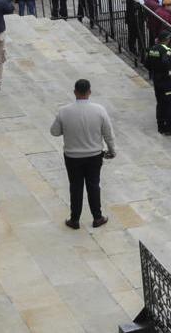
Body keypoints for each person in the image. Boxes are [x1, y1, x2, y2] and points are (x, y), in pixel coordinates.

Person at [50, 78, 115, 229]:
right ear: (89, 92)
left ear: (74, 92)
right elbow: (108, 134)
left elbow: (54, 132)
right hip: (94, 156)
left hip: (73, 157)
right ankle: (97, 217)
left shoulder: (64, 111)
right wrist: (112, 150)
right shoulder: (99, 110)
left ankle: (74, 220)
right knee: (93, 185)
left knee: (75, 187)